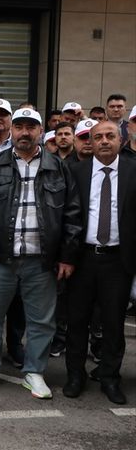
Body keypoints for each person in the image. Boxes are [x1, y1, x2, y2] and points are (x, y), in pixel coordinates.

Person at [0, 108, 81, 398]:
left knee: (41, 322)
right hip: (0, 259)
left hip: (42, 261)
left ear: (41, 131)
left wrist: (67, 256)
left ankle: (34, 372)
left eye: (31, 127)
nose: (25, 132)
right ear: (12, 130)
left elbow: (72, 214)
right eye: (19, 126)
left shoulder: (58, 167)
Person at [64, 121, 136, 405]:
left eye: (110, 136)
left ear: (121, 140)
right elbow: (66, 217)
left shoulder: (133, 171)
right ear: (90, 143)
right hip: (82, 259)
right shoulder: (76, 172)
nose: (104, 141)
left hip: (118, 261)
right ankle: (75, 376)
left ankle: (109, 378)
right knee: (77, 321)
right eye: (98, 137)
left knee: (113, 323)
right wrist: (65, 257)